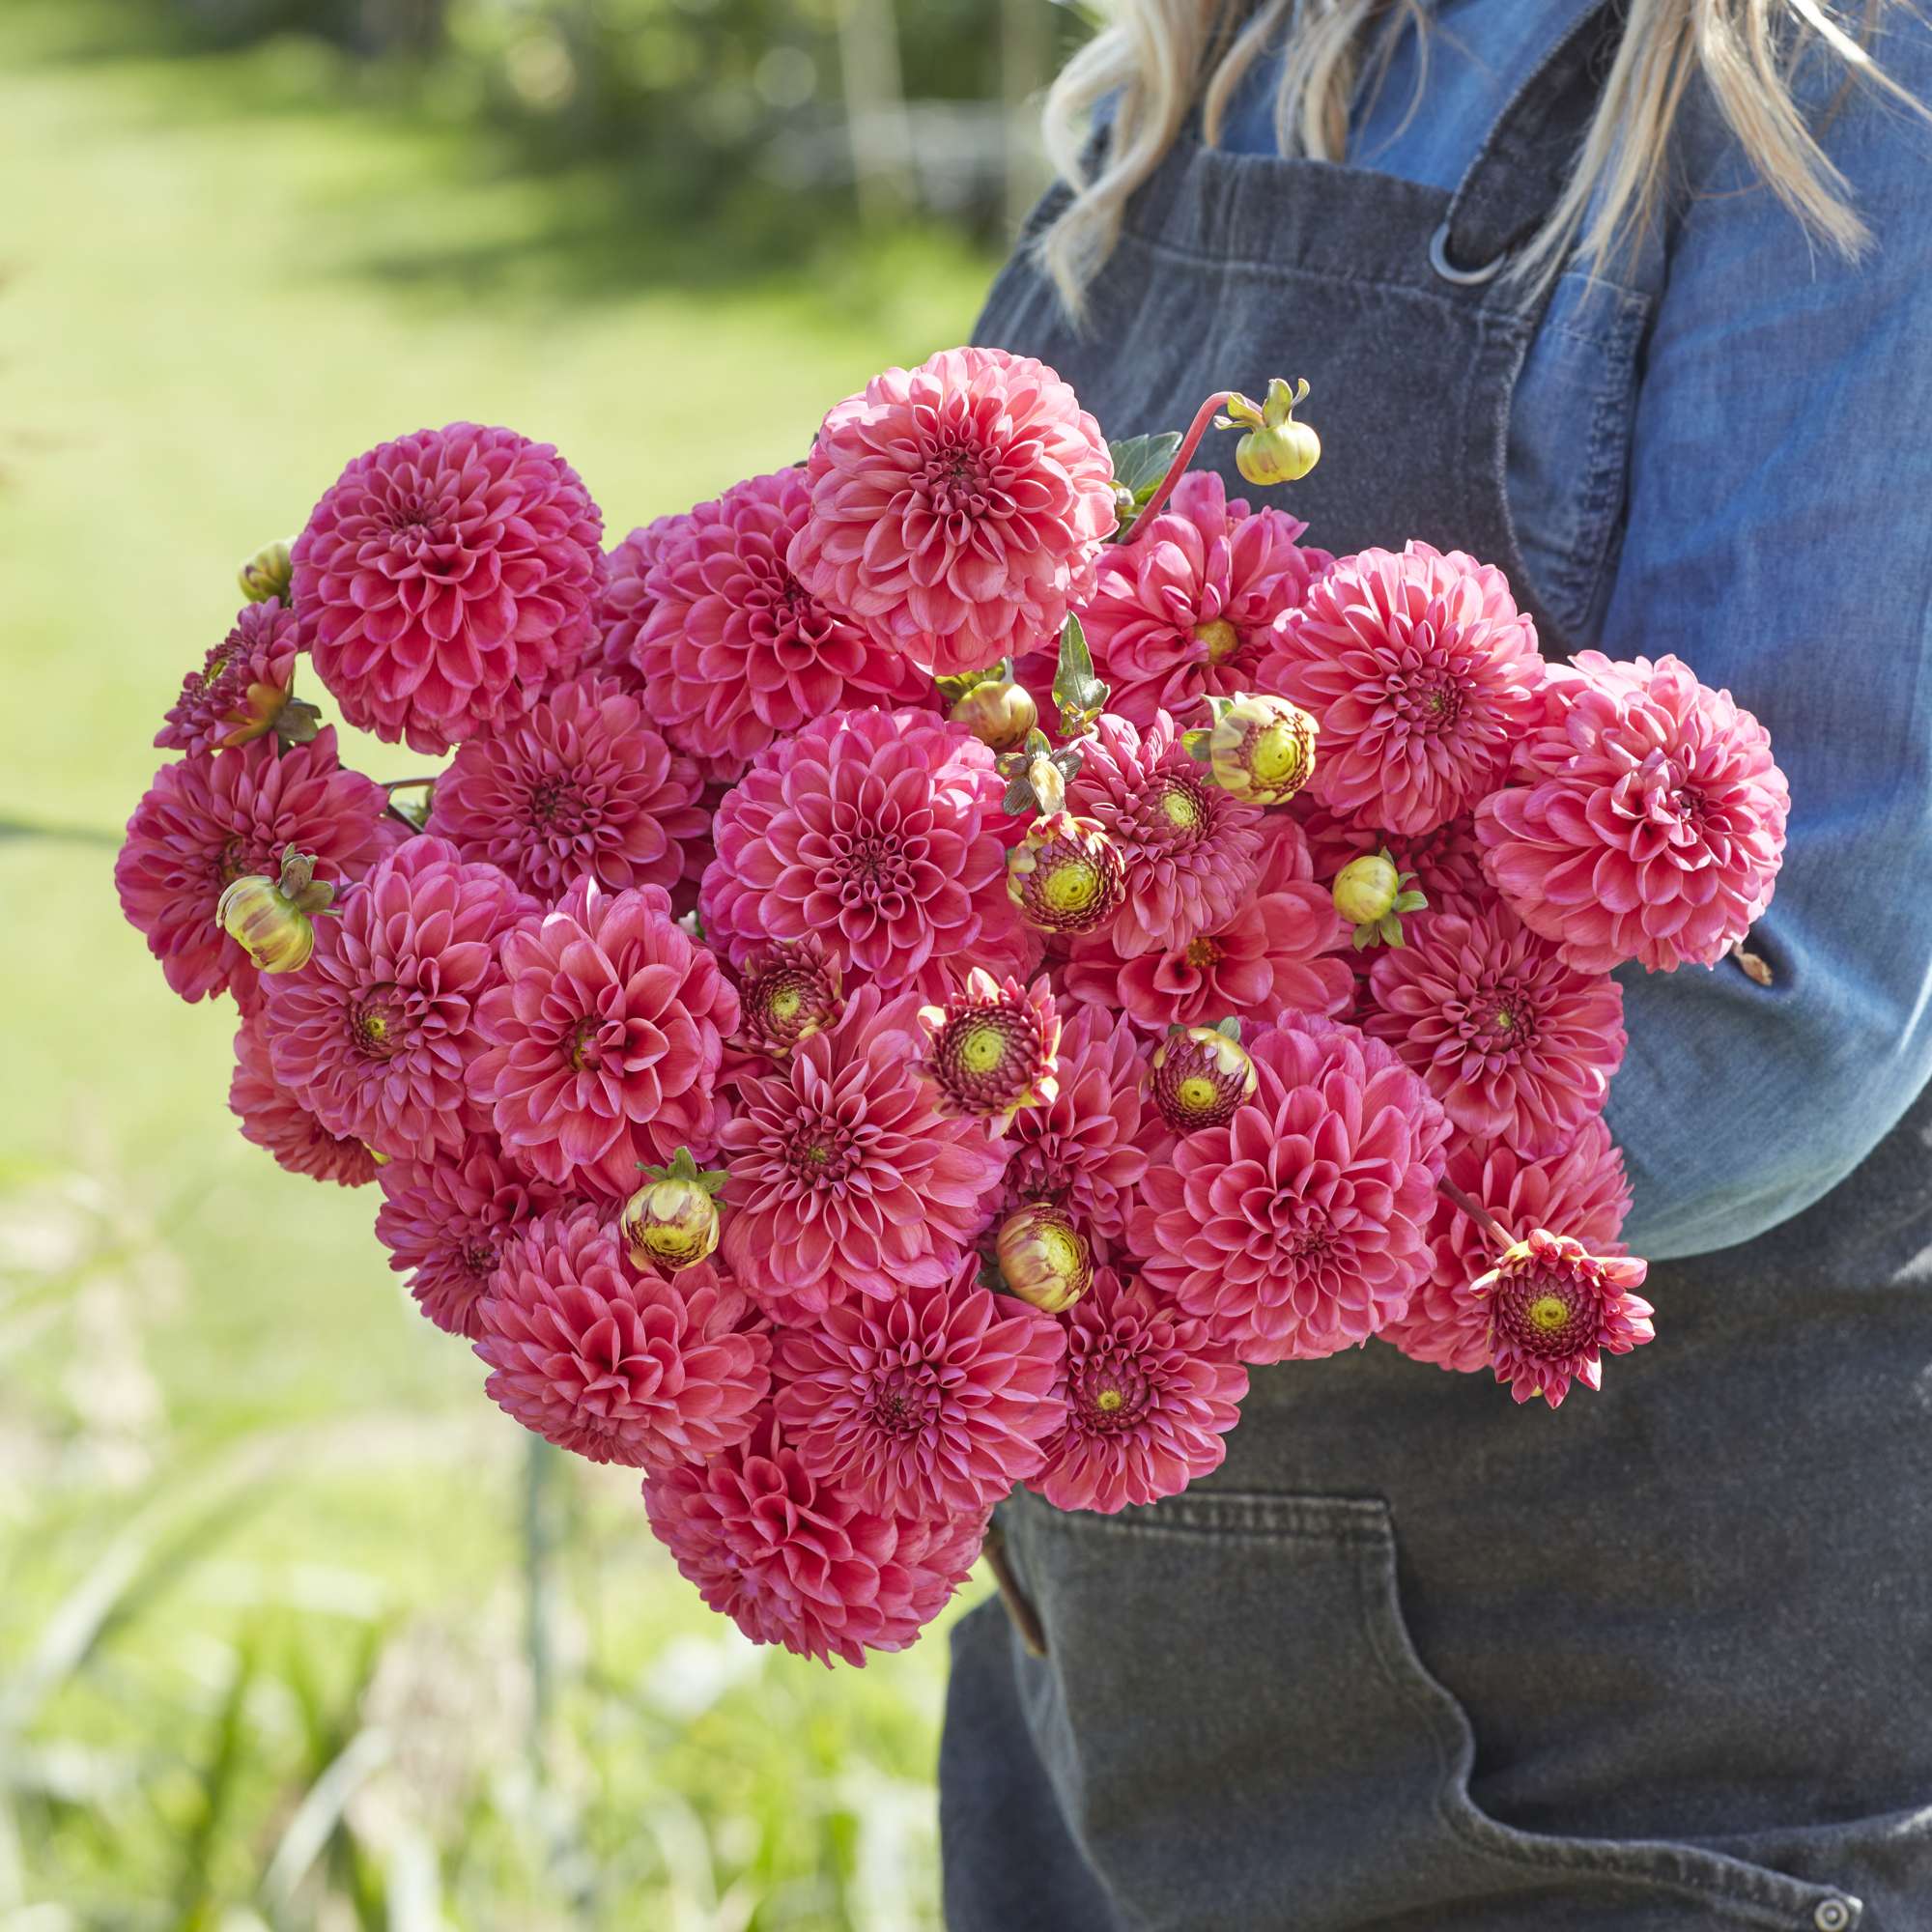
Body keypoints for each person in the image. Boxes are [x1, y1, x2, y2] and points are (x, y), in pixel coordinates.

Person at [940, 4, 1932, 1927]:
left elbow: (1787, 982)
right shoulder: (1228, 48)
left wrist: (1049, 1177)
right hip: (1118, 1717)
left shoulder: (1843, 71)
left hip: (1612, 1758)